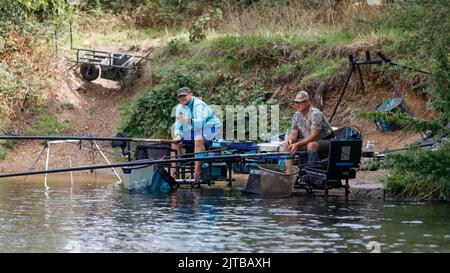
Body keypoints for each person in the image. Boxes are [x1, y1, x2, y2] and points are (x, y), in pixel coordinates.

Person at [171, 87, 222, 179]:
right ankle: (173, 172)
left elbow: (201, 122)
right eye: (180, 97)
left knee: (198, 139)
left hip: (210, 128)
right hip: (195, 129)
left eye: (184, 96)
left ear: (191, 95)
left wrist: (187, 120)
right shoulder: (179, 108)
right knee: (174, 143)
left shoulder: (199, 105)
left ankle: (197, 172)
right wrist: (178, 136)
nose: (182, 98)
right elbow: (178, 126)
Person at [280, 90, 335, 168]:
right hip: (310, 140)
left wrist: (297, 144)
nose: (297, 105)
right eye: (296, 103)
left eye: (300, 102)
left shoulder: (315, 114)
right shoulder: (296, 115)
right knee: (286, 146)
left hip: (327, 140)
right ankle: (290, 174)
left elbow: (314, 136)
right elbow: (293, 134)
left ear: (307, 103)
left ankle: (314, 172)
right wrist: (290, 141)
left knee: (311, 145)